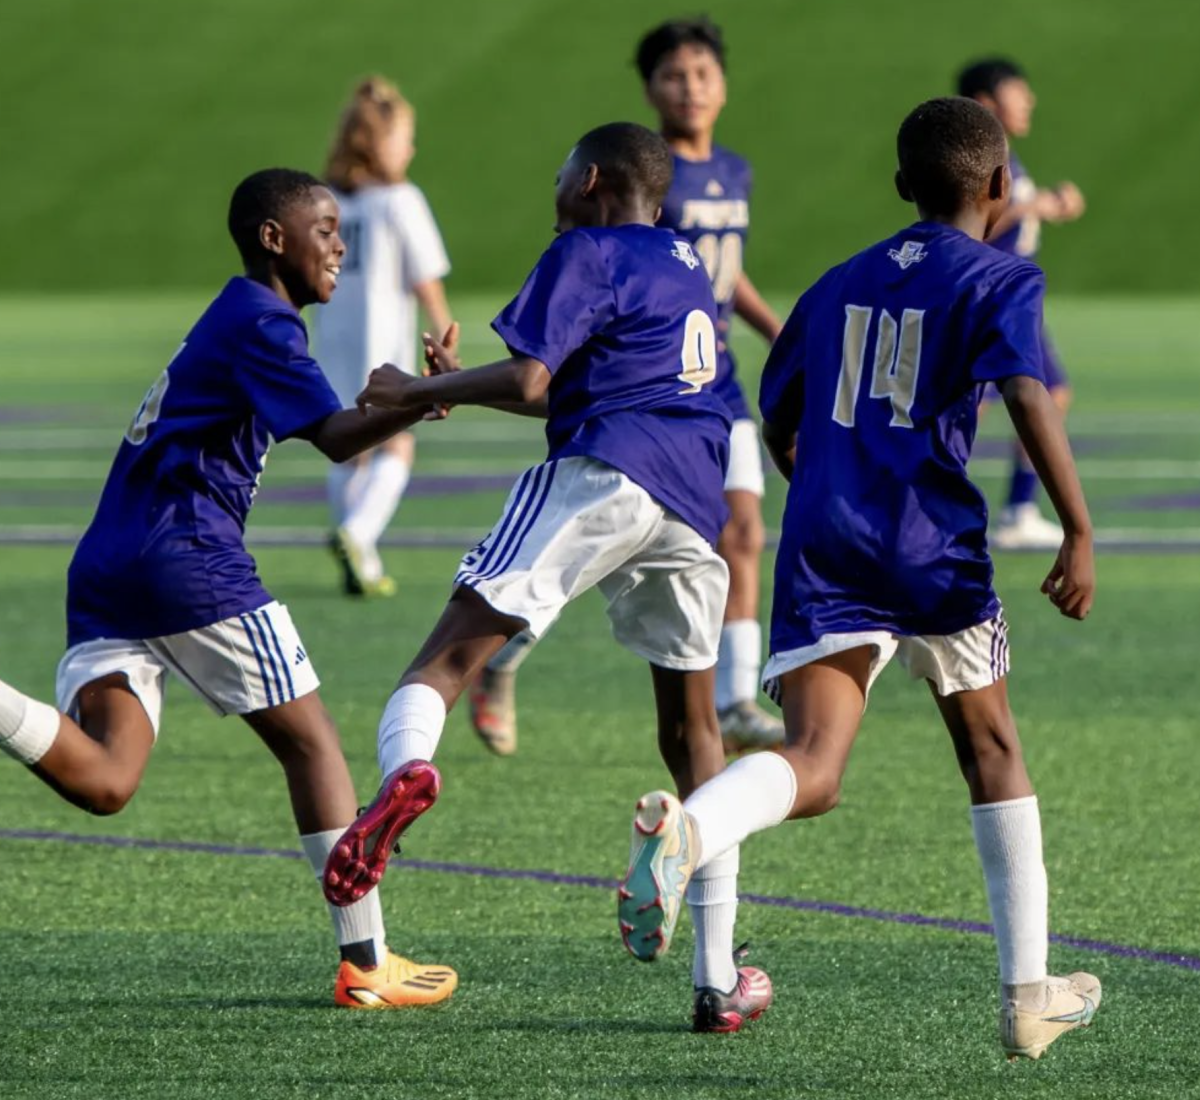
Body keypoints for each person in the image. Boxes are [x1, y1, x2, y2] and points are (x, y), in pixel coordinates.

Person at [617, 98, 1101, 1061]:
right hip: (931, 544)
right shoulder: (1001, 276)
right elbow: (1024, 391)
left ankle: (694, 830)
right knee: (991, 745)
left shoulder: (837, 283)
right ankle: (1026, 998)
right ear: (1001, 187)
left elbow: (778, 406)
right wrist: (1078, 527)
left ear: (898, 186)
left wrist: (821, 477)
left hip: (825, 541)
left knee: (814, 762)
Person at [322, 122, 773, 1033]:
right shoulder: (684, 261)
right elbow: (585, 384)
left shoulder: (585, 248)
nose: (553, 179)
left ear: (593, 179)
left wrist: (414, 391)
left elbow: (532, 382)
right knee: (691, 736)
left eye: (562, 166)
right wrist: (460, 384)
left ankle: (405, 777)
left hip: (607, 476)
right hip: (693, 503)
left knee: (445, 660)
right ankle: (718, 980)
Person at [0, 168, 456, 1009]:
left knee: (106, 780)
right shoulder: (263, 323)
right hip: (187, 558)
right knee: (313, 741)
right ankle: (366, 962)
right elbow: (335, 437)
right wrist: (432, 394)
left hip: (109, 564)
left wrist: (410, 402)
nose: (340, 246)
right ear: (272, 239)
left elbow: (339, 422)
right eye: (323, 230)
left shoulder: (236, 315)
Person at [470, 18, 784, 756]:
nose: (691, 87)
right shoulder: (641, 172)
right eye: (675, 76)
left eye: (703, 73)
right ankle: (505, 651)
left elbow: (723, 271)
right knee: (618, 542)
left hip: (714, 383)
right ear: (650, 90)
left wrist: (778, 330)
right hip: (643, 389)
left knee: (742, 533)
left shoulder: (732, 172)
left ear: (724, 84)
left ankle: (734, 696)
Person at [316, 77, 453, 596]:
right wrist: (444, 339)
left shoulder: (330, 201)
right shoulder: (400, 199)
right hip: (383, 345)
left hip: (334, 340)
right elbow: (426, 282)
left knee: (349, 446)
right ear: (379, 144)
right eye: (404, 138)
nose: (411, 148)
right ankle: (358, 533)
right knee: (397, 448)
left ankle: (362, 561)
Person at [958, 58, 1085, 549]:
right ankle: (931, 500)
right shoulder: (977, 159)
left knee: (1048, 394)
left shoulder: (1010, 158)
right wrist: (1038, 206)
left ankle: (1019, 508)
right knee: (972, 409)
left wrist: (1045, 205)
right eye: (1018, 91)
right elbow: (976, 225)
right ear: (986, 103)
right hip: (987, 301)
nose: (1028, 101)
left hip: (1013, 300)